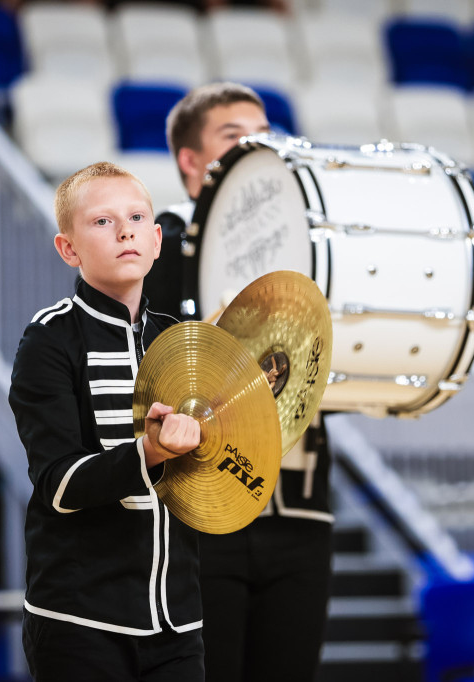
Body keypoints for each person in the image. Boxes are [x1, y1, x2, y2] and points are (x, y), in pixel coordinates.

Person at [147, 82, 335, 682]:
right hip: (202, 514)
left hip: (302, 513)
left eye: (264, 135)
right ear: (190, 162)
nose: (257, 146)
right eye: (234, 136)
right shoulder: (158, 247)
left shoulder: (309, 252)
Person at [9, 161, 205, 681]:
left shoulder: (183, 340)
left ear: (157, 239)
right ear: (67, 249)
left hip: (178, 622)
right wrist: (150, 453)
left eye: (137, 217)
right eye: (102, 221)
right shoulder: (48, 340)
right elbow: (58, 484)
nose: (124, 231)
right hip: (79, 622)